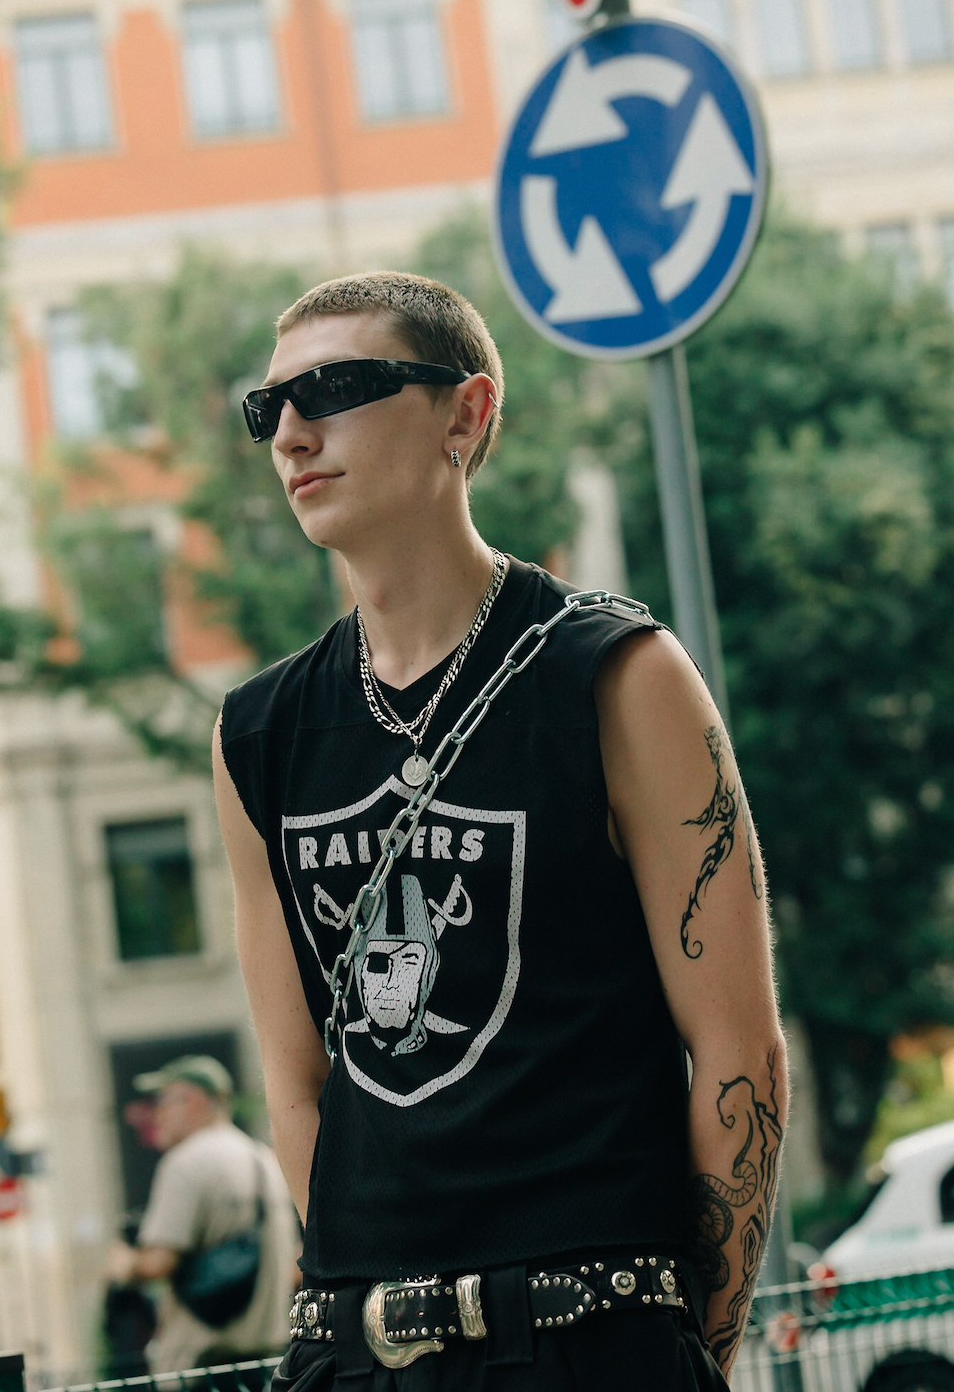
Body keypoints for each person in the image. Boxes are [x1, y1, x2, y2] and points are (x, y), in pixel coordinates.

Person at [212, 271, 788, 1390]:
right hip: (361, 1351)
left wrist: (683, 1357)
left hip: (594, 1337)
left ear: (465, 416)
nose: (290, 430)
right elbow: (295, 1086)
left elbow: (740, 1053)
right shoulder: (258, 733)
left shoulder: (617, 673)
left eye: (336, 387)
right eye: (266, 406)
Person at [107, 1054, 299, 1374]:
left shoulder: (186, 1162)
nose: (157, 1115)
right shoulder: (264, 1160)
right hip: (270, 1359)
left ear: (193, 1101)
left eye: (163, 1102)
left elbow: (158, 1263)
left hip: (202, 1365)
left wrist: (123, 1264)